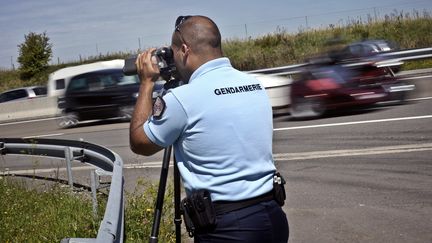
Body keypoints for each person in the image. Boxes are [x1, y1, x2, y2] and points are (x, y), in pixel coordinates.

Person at [129, 15, 289, 243]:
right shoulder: (254, 84)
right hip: (273, 217)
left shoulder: (182, 99)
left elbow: (140, 143)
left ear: (184, 50)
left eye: (174, 53)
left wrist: (146, 83)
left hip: (228, 229)